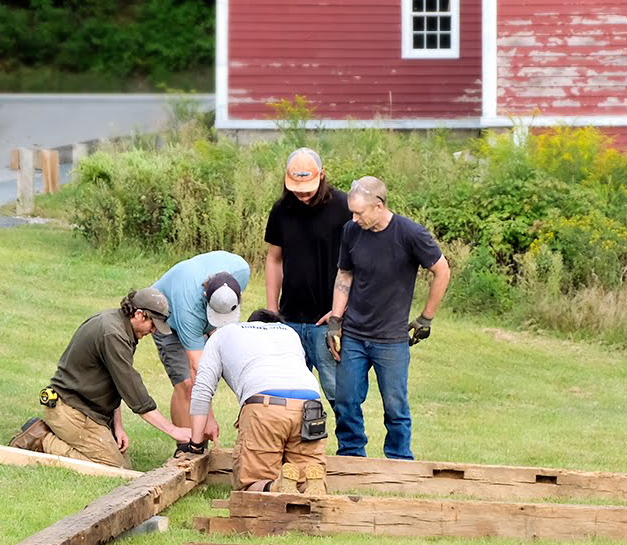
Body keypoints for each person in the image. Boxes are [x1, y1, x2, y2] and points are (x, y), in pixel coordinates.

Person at [322, 176, 451, 460]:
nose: (354, 219)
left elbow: (442, 270)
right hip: (354, 334)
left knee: (395, 406)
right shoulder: (351, 231)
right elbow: (345, 275)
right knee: (345, 400)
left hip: (391, 339)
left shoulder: (410, 233)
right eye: (352, 212)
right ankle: (351, 456)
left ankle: (399, 460)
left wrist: (426, 318)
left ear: (378, 206)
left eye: (359, 213)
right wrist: (335, 321)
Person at [7, 288, 191, 468]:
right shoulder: (113, 334)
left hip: (89, 410)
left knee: (123, 463)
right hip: (71, 409)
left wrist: (117, 426)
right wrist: (173, 430)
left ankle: (53, 434)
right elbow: (134, 393)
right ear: (139, 314)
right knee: (113, 468)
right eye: (153, 325)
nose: (154, 331)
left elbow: (115, 381)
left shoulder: (119, 325)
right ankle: (41, 439)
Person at [181, 309, 328, 494]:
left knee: (252, 483)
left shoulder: (222, 335)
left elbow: (202, 390)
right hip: (311, 405)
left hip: (266, 405)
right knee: (305, 470)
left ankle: (274, 486)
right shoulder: (289, 333)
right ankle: (310, 483)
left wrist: (195, 445)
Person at [265, 147, 351, 408]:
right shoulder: (281, 210)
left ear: (322, 176)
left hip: (326, 321)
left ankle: (352, 447)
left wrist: (341, 311)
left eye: (308, 189)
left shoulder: (344, 208)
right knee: (289, 394)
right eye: (296, 188)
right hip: (289, 319)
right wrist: (272, 309)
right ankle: (295, 447)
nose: (301, 195)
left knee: (338, 393)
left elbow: (357, 265)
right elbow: (273, 259)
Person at [152, 250, 251, 441]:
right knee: (187, 384)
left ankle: (195, 437)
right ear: (206, 298)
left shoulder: (241, 271)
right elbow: (197, 368)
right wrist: (209, 418)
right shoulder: (188, 310)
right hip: (166, 318)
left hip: (198, 311)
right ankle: (186, 446)